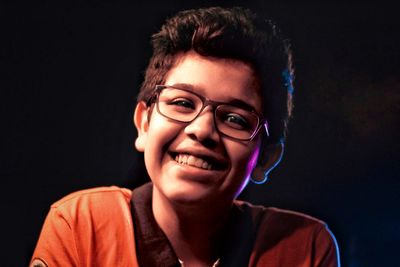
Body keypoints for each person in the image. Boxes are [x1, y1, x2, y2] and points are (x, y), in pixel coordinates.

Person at [30, 6, 340, 267]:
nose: (202, 129)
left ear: (267, 157)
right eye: (181, 103)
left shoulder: (305, 248)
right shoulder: (82, 224)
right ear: (143, 124)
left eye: (234, 119)